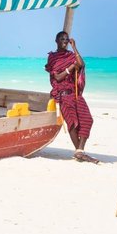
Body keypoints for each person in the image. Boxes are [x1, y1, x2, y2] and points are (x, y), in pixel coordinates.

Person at [45, 31, 98, 164]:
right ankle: (80, 152)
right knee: (73, 124)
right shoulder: (53, 58)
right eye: (62, 39)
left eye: (66, 39)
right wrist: (70, 68)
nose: (65, 41)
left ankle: (79, 151)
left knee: (87, 120)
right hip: (63, 96)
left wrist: (74, 47)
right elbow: (57, 77)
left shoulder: (71, 55)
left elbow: (81, 63)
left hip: (75, 94)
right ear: (56, 41)